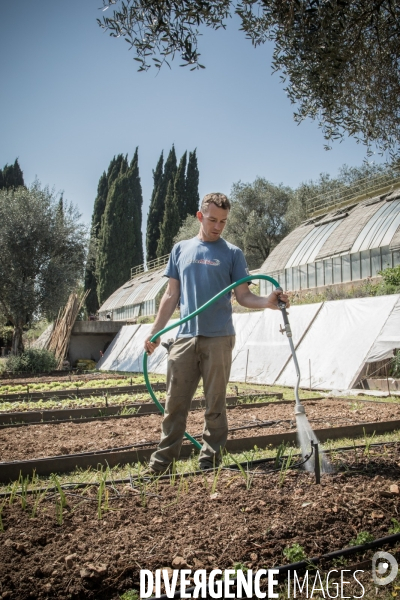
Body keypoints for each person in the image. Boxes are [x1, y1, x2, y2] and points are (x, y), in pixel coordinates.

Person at [144, 192, 290, 473]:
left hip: (219, 338)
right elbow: (171, 295)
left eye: (223, 221)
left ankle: (209, 462)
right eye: (212, 220)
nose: (218, 226)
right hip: (184, 338)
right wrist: (155, 332)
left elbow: (244, 296)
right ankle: (162, 464)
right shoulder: (180, 249)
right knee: (175, 405)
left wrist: (267, 303)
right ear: (200, 217)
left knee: (215, 405)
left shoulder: (232, 253)